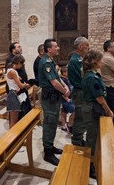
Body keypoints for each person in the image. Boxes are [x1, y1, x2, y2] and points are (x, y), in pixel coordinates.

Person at [82, 50, 113, 178]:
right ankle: (89, 166)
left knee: (93, 137)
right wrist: (108, 110)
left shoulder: (93, 74)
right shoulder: (90, 77)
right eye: (100, 60)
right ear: (95, 62)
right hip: (91, 109)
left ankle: (93, 160)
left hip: (93, 108)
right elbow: (99, 97)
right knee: (91, 138)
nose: (101, 62)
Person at [38, 38, 70, 166]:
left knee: (53, 122)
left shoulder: (51, 60)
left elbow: (57, 77)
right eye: (55, 46)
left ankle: (50, 146)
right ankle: (47, 152)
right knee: (49, 123)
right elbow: (53, 82)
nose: (58, 48)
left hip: (54, 97)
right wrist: (64, 91)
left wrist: (65, 86)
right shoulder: (45, 62)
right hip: (49, 97)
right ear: (49, 49)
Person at [68, 36, 90, 146]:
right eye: (87, 46)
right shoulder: (76, 60)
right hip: (80, 92)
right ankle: (77, 140)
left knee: (82, 116)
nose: (88, 48)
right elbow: (83, 77)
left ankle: (79, 138)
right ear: (81, 47)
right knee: (81, 117)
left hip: (82, 91)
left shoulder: (79, 59)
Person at [5, 42, 31, 119]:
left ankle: (22, 124)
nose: (20, 48)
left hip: (20, 88)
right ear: (13, 49)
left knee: (22, 109)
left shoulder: (19, 58)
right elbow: (11, 75)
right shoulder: (11, 60)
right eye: (18, 47)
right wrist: (23, 84)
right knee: (16, 113)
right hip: (16, 90)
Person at [6, 54, 30, 128]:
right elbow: (21, 86)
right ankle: (12, 138)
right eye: (22, 64)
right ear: (19, 62)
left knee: (15, 119)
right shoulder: (12, 72)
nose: (22, 66)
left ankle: (14, 137)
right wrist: (26, 85)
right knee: (13, 121)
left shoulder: (14, 71)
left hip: (15, 94)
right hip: (13, 95)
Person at [100, 40, 114, 135]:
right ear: (108, 48)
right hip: (111, 86)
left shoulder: (106, 57)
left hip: (109, 86)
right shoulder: (108, 58)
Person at [60, 66, 75, 133]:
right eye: (67, 72)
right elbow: (62, 91)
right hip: (66, 100)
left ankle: (64, 126)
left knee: (64, 112)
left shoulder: (66, 79)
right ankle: (69, 125)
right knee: (74, 110)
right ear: (64, 73)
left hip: (68, 98)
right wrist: (67, 99)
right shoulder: (62, 80)